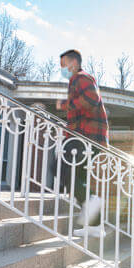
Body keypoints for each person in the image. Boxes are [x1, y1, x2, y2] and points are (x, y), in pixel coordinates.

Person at [56, 49, 109, 237]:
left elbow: (92, 99)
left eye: (63, 65)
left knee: (62, 170)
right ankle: (94, 225)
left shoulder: (80, 77)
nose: (62, 69)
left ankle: (93, 204)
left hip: (85, 138)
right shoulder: (81, 79)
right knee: (75, 177)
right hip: (88, 138)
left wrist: (65, 104)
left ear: (73, 63)